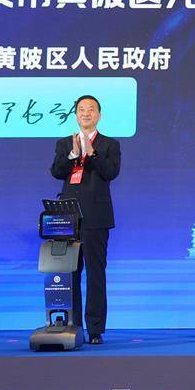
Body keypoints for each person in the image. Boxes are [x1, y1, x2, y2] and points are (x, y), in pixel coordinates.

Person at [50, 95, 121, 344]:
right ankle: (73, 325)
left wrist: (92, 154)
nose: (86, 113)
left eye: (91, 109)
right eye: (81, 109)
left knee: (95, 274)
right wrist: (73, 154)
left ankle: (95, 329)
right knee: (70, 273)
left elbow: (111, 172)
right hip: (68, 218)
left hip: (96, 218)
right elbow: (56, 171)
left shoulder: (109, 144)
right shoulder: (64, 143)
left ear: (99, 115)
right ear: (76, 115)